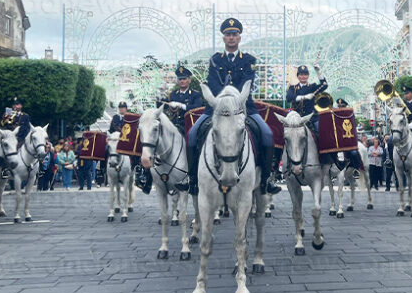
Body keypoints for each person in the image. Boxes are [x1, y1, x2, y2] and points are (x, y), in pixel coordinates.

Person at [187, 17, 281, 196]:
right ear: (223, 38)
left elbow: (247, 83)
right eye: (228, 34)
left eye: (234, 34)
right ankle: (192, 179)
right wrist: (223, 100)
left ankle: (267, 179)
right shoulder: (215, 60)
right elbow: (212, 84)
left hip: (244, 107)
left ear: (239, 38)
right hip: (216, 108)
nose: (231, 37)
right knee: (192, 135)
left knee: (268, 135)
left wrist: (233, 99)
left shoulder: (248, 60)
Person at [137, 66, 203, 192]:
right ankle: (146, 176)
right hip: (171, 126)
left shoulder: (195, 94)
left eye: (184, 79)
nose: (182, 81)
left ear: (189, 80)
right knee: (150, 139)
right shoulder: (173, 94)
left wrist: (182, 106)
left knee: (193, 145)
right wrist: (160, 95)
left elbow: (197, 108)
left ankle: (191, 176)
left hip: (186, 127)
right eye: (180, 79)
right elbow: (160, 109)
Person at [286, 64, 327, 135]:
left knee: (322, 133)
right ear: (298, 76)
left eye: (305, 74)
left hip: (312, 118)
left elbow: (324, 85)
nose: (303, 77)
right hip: (298, 118)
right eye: (301, 75)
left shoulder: (312, 87)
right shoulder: (293, 88)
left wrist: (318, 71)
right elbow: (289, 98)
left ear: (308, 76)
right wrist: (305, 97)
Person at [335, 98, 362, 179]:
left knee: (354, 153)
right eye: (339, 106)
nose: (340, 108)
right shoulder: (335, 115)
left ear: (345, 106)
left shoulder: (350, 114)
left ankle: (356, 169)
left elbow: (352, 126)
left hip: (348, 140)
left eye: (342, 106)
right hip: (337, 140)